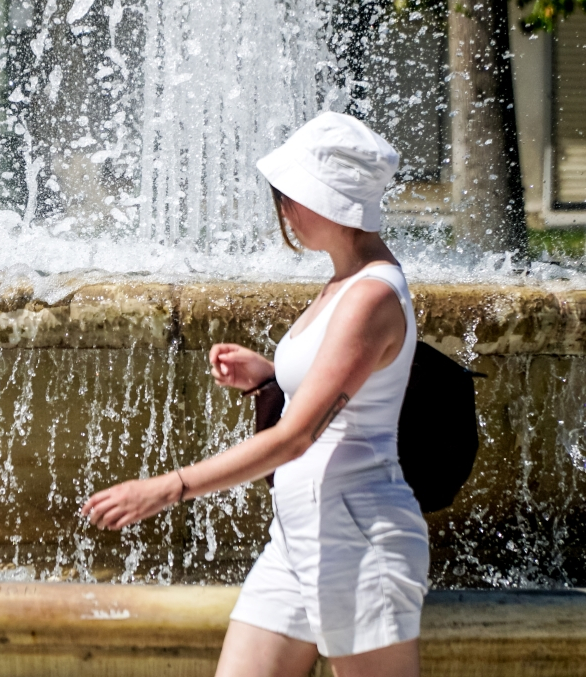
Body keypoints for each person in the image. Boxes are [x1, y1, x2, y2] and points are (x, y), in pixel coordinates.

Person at [82, 112, 428, 677]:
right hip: (298, 533)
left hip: (360, 537)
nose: (284, 209)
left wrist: (169, 488)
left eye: (291, 195)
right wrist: (271, 374)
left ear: (331, 200)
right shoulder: (343, 281)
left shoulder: (370, 295)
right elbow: (344, 388)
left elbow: (296, 438)